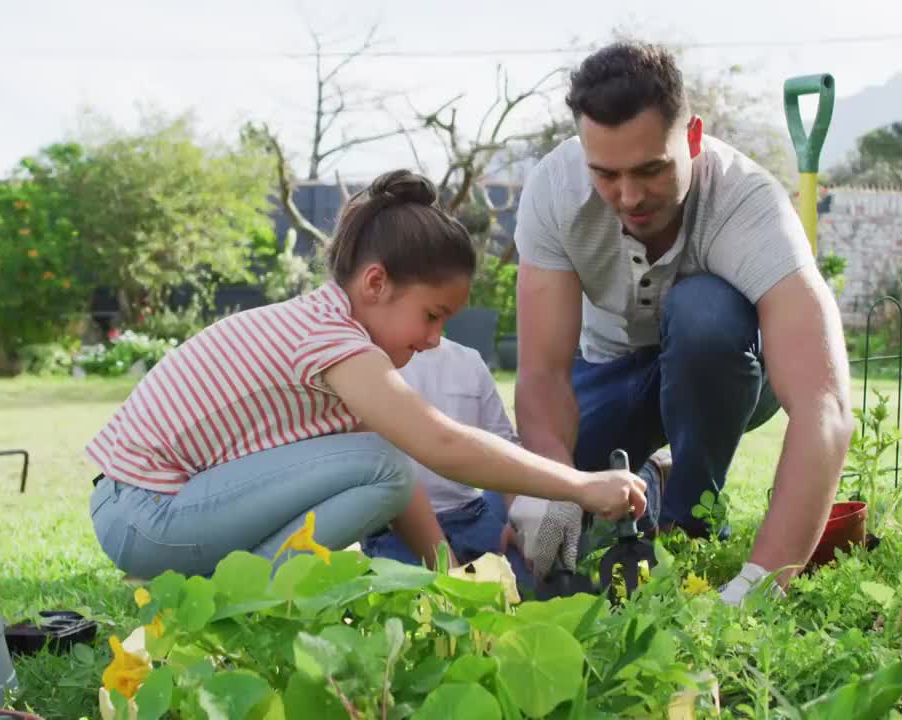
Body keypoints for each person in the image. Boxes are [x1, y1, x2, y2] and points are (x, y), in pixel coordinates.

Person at [85, 168, 648, 581]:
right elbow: (437, 444)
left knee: (379, 463)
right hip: (145, 510)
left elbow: (398, 473)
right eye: (431, 316)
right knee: (381, 463)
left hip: (152, 508)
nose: (434, 340)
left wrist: (449, 580)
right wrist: (580, 485)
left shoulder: (331, 332)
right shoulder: (331, 337)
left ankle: (216, 589)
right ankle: (224, 597)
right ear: (375, 283)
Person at [509, 40, 854, 605]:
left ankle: (691, 518)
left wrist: (760, 584)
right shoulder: (555, 190)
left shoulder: (748, 204)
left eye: (651, 170)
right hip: (608, 371)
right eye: (607, 175)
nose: (630, 196)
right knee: (518, 502)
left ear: (692, 137)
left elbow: (826, 405)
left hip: (729, 363)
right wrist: (556, 483)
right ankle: (654, 478)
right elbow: (543, 374)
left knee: (705, 313)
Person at [358, 336, 535, 589]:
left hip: (471, 514)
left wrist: (519, 518)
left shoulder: (468, 360)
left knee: (524, 579)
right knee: (422, 605)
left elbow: (504, 446)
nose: (432, 332)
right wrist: (448, 569)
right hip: (395, 528)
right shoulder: (367, 364)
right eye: (429, 314)